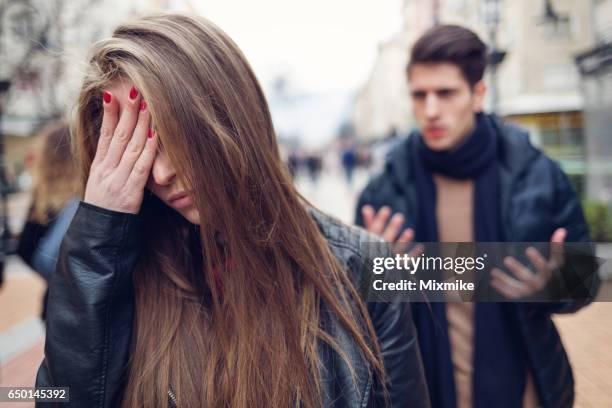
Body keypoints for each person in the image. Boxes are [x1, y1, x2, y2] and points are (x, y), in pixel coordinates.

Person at [35, 13, 430, 408]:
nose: (161, 172)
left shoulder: (362, 268)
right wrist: (97, 235)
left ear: (229, 116)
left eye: (173, 135)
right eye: (134, 148)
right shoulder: (118, 278)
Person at [356, 25, 597, 408]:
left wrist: (554, 285)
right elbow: (364, 314)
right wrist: (379, 273)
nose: (431, 110)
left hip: (524, 392)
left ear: (478, 94)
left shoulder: (537, 176)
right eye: (420, 95)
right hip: (427, 393)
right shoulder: (384, 194)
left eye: (446, 93)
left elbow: (584, 282)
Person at [16, 122, 80, 320]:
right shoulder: (92, 192)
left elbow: (24, 248)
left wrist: (54, 278)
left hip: (56, 304)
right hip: (92, 304)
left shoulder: (43, 198)